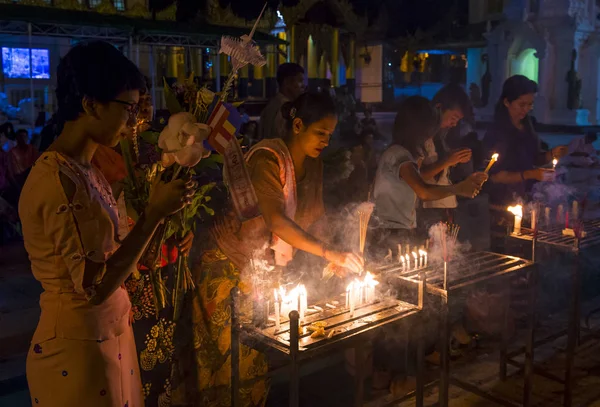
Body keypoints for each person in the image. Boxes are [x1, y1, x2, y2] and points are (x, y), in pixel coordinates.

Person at [19, 41, 196, 407]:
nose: (134, 121)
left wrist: (163, 217)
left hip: (109, 335)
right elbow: (94, 286)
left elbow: (113, 252)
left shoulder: (86, 169)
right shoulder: (57, 180)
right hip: (78, 348)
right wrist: (153, 215)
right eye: (127, 109)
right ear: (89, 103)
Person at [174, 92, 363, 406]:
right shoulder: (267, 159)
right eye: (320, 133)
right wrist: (329, 253)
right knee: (220, 360)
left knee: (254, 362)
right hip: (227, 266)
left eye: (330, 135)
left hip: (265, 272)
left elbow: (316, 219)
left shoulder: (313, 167)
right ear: (298, 125)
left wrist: (336, 255)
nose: (326, 142)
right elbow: (276, 220)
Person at [370, 96, 487, 259]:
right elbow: (423, 191)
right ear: (418, 130)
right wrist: (458, 189)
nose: (430, 136)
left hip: (401, 228)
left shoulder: (405, 154)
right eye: (429, 130)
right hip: (389, 230)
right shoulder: (397, 155)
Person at [482, 75, 568, 210]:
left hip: (525, 196)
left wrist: (551, 154)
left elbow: (534, 158)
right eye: (521, 104)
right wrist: (531, 174)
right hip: (501, 200)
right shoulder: (497, 133)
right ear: (506, 102)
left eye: (530, 104)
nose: (526, 109)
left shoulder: (527, 126)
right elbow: (495, 176)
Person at [419, 84, 473, 230]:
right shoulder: (420, 137)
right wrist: (448, 161)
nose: (454, 124)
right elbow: (419, 175)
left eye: (458, 120)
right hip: (427, 209)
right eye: (454, 117)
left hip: (445, 205)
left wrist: (456, 159)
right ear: (439, 108)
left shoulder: (441, 137)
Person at [258, 63, 305, 140]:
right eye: (300, 81)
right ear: (287, 82)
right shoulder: (286, 109)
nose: (303, 85)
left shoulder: (272, 104)